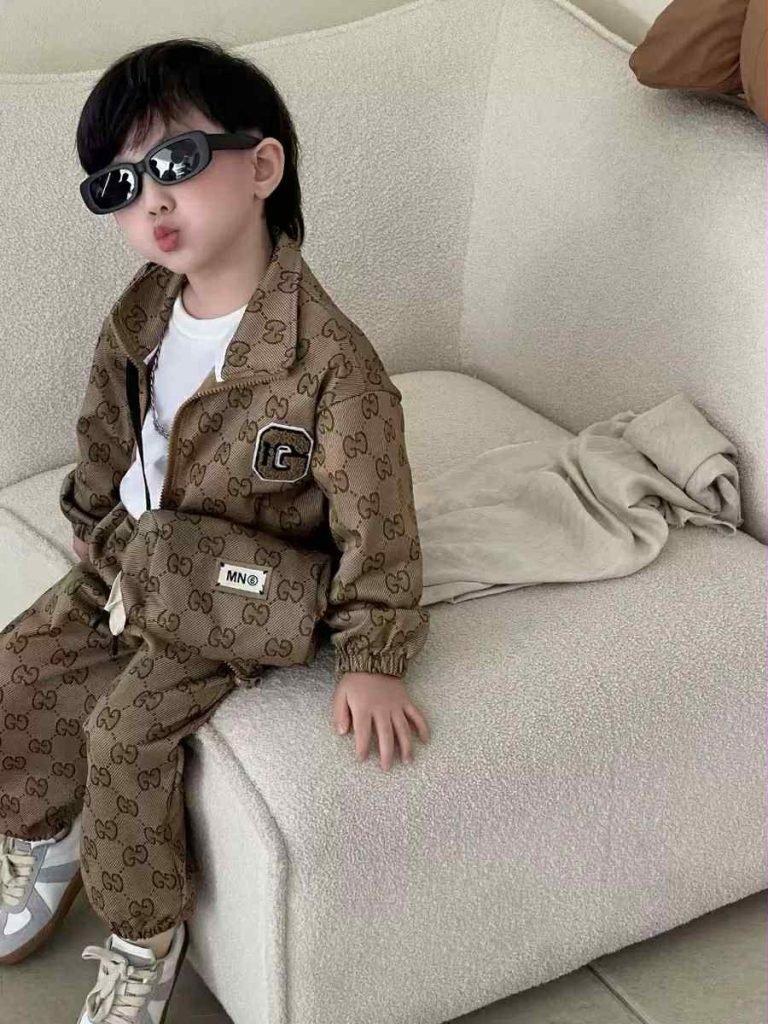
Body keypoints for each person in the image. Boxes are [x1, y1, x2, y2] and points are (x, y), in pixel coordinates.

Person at [0, 37, 431, 1022]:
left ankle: (143, 934)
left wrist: (375, 653)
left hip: (235, 587)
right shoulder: (141, 316)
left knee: (123, 736)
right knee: (17, 669)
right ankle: (44, 827)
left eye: (178, 162)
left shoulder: (330, 361)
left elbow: (379, 513)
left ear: (262, 166)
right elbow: (104, 432)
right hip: (132, 553)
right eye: (118, 185)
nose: (150, 200)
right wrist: (90, 521)